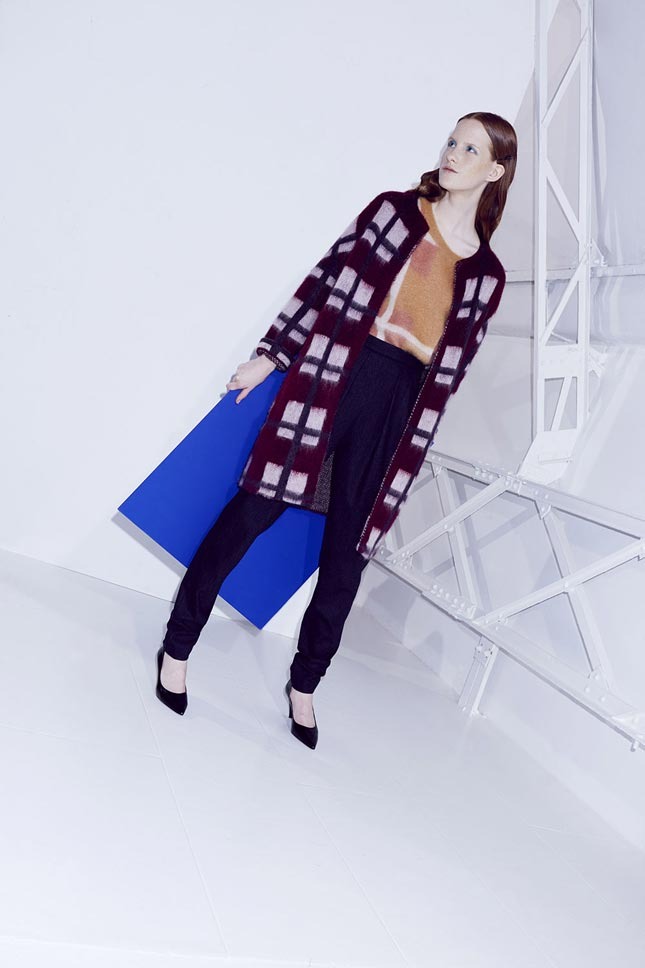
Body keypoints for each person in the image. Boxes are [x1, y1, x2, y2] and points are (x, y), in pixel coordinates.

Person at [155, 111, 517, 749]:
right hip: (337, 373)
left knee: (348, 554)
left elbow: (453, 369)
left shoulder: (488, 276)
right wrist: (272, 354)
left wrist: (415, 429)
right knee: (252, 511)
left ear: (495, 170)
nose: (453, 154)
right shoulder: (393, 213)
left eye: (471, 149)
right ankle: (178, 646)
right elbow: (324, 282)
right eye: (452, 141)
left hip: (400, 407)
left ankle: (305, 685)